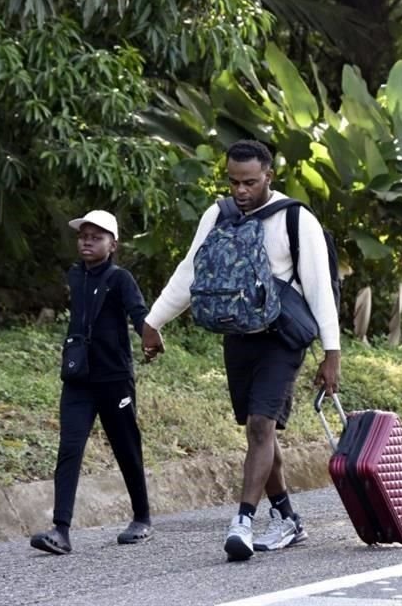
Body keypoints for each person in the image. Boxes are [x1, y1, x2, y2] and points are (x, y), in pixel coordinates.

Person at [140, 140, 340, 561]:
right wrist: (154, 321)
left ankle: (243, 521)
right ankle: (287, 517)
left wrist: (331, 352)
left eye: (250, 182)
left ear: (268, 175)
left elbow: (320, 287)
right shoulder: (219, 214)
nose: (241, 191)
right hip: (238, 332)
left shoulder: (294, 218)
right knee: (257, 430)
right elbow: (191, 269)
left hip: (282, 336)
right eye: (233, 182)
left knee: (260, 426)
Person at [30, 210, 153, 555]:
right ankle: (61, 530)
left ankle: (142, 518)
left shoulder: (121, 278)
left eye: (96, 237)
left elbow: (139, 313)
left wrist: (150, 336)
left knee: (126, 448)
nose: (87, 241)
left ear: (113, 245)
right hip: (79, 378)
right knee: (69, 448)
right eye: (83, 236)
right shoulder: (75, 275)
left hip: (114, 379)